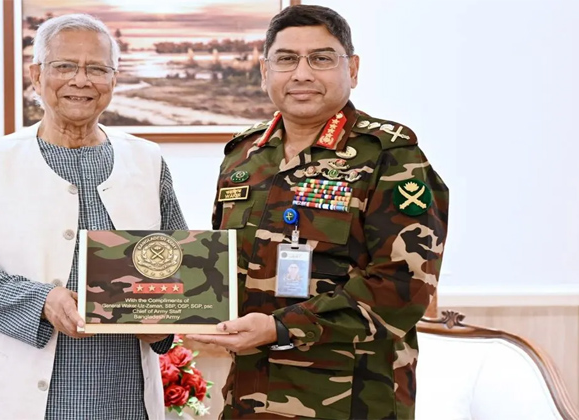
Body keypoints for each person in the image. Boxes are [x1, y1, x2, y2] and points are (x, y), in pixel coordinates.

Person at [187, 5, 449, 419]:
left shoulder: (391, 156)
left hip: (351, 401)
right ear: (264, 71)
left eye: (321, 58)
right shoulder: (244, 157)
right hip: (249, 400)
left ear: (353, 69)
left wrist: (280, 327)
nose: (302, 74)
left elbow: (402, 288)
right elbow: (226, 268)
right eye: (286, 59)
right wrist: (175, 309)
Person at [0, 13, 186, 420]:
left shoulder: (148, 161)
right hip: (18, 395)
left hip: (123, 394)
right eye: (65, 66)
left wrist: (164, 319)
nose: (81, 80)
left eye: (97, 69)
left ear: (114, 80)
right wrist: (43, 300)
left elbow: (178, 267)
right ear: (36, 75)